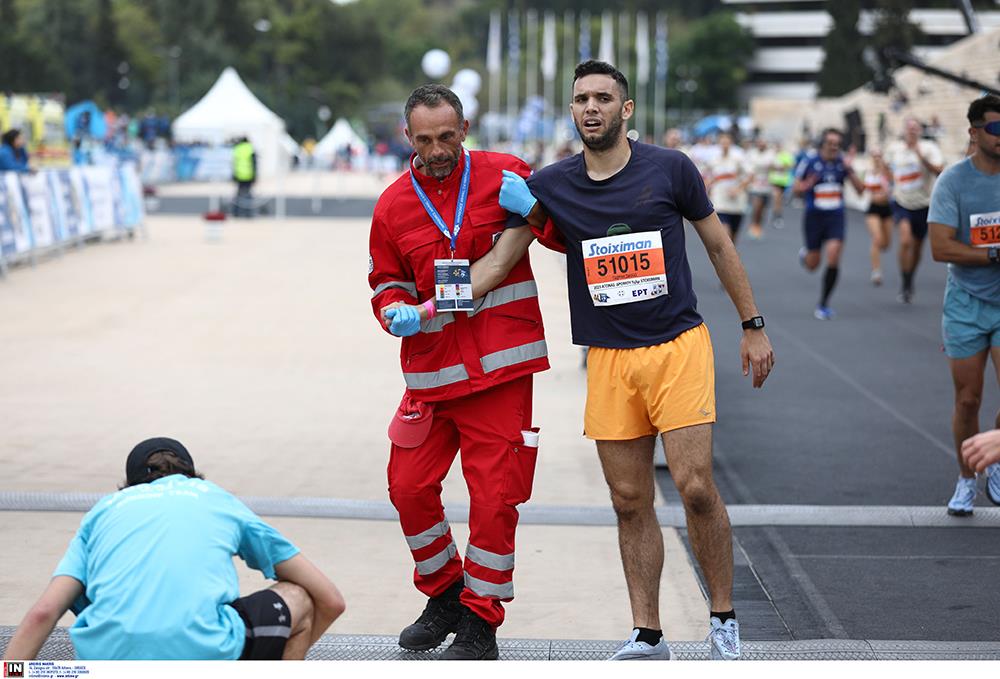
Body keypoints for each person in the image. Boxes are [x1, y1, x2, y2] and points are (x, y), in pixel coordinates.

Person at [491, 60, 774, 661]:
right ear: (571, 112)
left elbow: (718, 243)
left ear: (626, 110)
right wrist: (434, 300)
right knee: (628, 500)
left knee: (696, 487)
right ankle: (648, 632)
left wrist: (752, 326)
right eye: (579, 100)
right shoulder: (551, 185)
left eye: (602, 98)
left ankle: (723, 618)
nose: (589, 107)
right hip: (611, 360)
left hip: (678, 347)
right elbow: (498, 262)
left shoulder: (670, 169)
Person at [367, 84, 548, 660]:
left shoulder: (505, 175)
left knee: (494, 499)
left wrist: (540, 212)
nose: (438, 148)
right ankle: (446, 592)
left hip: (500, 372)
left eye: (447, 136)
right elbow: (387, 280)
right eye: (425, 139)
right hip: (430, 374)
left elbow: (565, 237)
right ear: (408, 138)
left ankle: (480, 623)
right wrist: (393, 310)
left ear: (464, 128)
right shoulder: (393, 205)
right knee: (408, 487)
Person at [2, 437, 345, 660]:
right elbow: (330, 599)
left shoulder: (106, 509)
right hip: (204, 652)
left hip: (106, 660)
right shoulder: (215, 498)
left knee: (86, 591)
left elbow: (43, 613)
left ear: (131, 484)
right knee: (299, 595)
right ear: (192, 475)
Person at [928, 94, 1000, 515]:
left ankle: (995, 462)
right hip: (967, 303)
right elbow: (940, 247)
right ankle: (966, 477)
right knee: (968, 400)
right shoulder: (953, 182)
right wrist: (993, 254)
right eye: (994, 128)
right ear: (974, 132)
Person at [793, 128, 865, 320]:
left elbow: (860, 190)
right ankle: (806, 254)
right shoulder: (809, 162)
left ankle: (823, 303)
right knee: (813, 265)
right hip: (814, 217)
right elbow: (795, 189)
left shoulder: (843, 163)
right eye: (830, 143)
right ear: (822, 144)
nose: (834, 147)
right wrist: (805, 186)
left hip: (836, 217)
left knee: (833, 256)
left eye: (837, 144)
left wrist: (850, 169)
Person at [887, 117, 944, 303]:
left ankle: (910, 277)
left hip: (924, 204)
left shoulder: (929, 148)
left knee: (918, 246)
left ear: (920, 130)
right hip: (901, 201)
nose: (911, 131)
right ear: (904, 130)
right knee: (905, 241)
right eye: (909, 128)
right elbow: (886, 169)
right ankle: (904, 280)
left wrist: (921, 157)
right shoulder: (895, 149)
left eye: (915, 128)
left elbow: (939, 171)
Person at [705, 132, 750, 243]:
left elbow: (750, 175)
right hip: (720, 201)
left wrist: (738, 189)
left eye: (727, 143)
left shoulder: (738, 158)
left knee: (733, 238)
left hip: (736, 202)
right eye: (722, 143)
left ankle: (731, 257)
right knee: (726, 235)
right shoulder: (713, 160)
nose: (724, 145)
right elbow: (706, 176)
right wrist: (707, 188)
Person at [862, 149, 894, 286]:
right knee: (877, 239)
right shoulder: (868, 173)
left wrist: (884, 168)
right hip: (873, 209)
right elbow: (865, 190)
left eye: (879, 156)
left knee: (886, 244)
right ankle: (876, 271)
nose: (876, 159)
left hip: (886, 209)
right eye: (874, 156)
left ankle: (877, 255)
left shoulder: (886, 172)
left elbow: (892, 183)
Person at [745, 138, 775, 239]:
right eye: (760, 143)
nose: (762, 145)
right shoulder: (752, 153)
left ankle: (758, 225)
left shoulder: (771, 153)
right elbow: (748, 167)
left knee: (763, 208)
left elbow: (776, 165)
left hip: (766, 184)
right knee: (757, 205)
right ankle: (754, 224)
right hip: (755, 184)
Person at [767, 144, 795, 229]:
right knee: (777, 197)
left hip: (783, 181)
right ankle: (777, 215)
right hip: (774, 180)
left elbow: (790, 165)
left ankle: (777, 214)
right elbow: (768, 166)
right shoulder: (771, 155)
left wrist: (781, 167)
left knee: (779, 199)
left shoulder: (785, 155)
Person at [232, 136, 257, 218]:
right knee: (248, 195)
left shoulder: (237, 149)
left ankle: (236, 212)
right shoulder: (250, 149)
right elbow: (254, 164)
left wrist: (234, 175)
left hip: (238, 174)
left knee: (238, 195)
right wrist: (255, 176)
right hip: (248, 175)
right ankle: (248, 213)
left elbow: (234, 163)